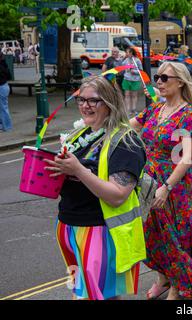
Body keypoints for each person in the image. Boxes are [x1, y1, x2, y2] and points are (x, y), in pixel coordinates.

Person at [44, 76, 147, 300]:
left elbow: (118, 195)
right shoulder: (80, 134)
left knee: (99, 295)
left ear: (109, 103)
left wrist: (78, 170)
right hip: (69, 226)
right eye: (81, 99)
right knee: (83, 292)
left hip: (100, 230)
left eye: (93, 101)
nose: (85, 106)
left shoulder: (126, 142)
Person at [130, 62, 192, 300]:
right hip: (148, 182)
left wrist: (167, 187)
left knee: (176, 234)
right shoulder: (154, 110)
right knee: (151, 233)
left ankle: (178, 284)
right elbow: (125, 128)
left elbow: (188, 158)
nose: (159, 82)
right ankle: (163, 278)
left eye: (165, 78)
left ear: (180, 82)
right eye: (157, 77)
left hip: (176, 186)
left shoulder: (190, 116)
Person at [121, 47, 143, 116]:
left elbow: (141, 70)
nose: (126, 54)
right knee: (127, 95)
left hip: (135, 80)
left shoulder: (137, 60)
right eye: (126, 52)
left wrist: (134, 71)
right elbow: (122, 66)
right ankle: (128, 110)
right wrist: (123, 59)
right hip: (126, 79)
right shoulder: (126, 60)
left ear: (131, 53)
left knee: (134, 95)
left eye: (127, 52)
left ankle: (133, 109)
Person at [0, 53, 12, 132]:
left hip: (1, 86)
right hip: (4, 85)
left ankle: (7, 127)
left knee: (3, 107)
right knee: (3, 107)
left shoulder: (1, 66)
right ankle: (3, 125)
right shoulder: (3, 64)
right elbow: (9, 76)